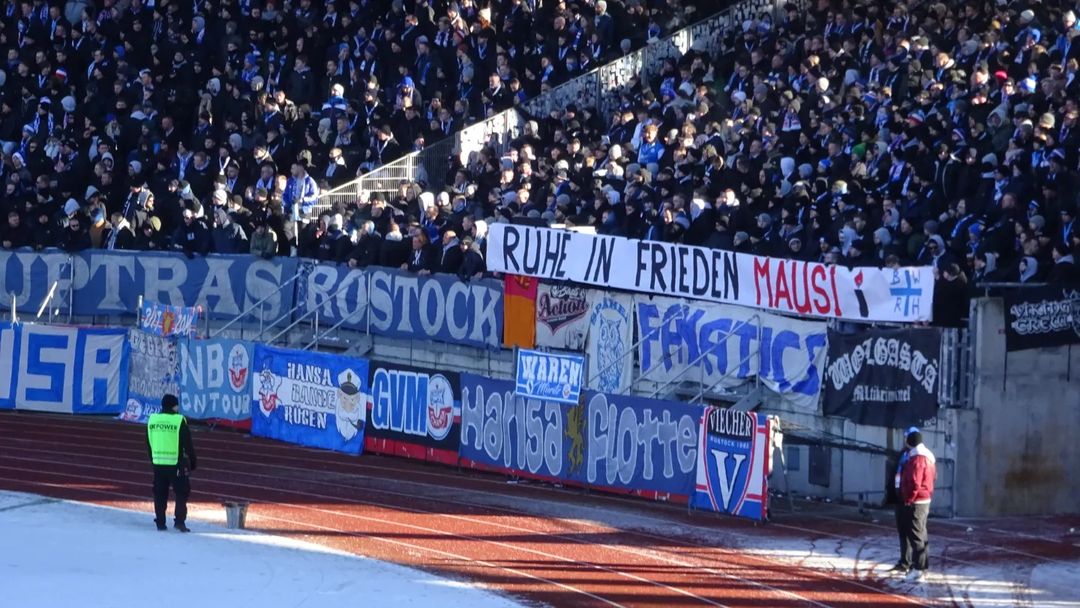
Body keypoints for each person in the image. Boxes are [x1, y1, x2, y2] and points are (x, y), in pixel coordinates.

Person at [146, 394, 198, 532]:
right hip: (176, 463)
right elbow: (188, 444)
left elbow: (149, 442)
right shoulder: (179, 420)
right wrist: (193, 462)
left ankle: (160, 522)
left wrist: (153, 459)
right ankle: (179, 521)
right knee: (182, 491)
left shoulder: (152, 419)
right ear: (174, 406)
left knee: (159, 493)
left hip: (158, 463)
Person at [891, 428, 936, 577]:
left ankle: (918, 569)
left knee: (916, 535)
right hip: (923, 498)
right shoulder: (926, 457)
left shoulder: (917, 458)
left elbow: (914, 482)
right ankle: (920, 567)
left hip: (916, 501)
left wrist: (908, 498)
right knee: (920, 534)